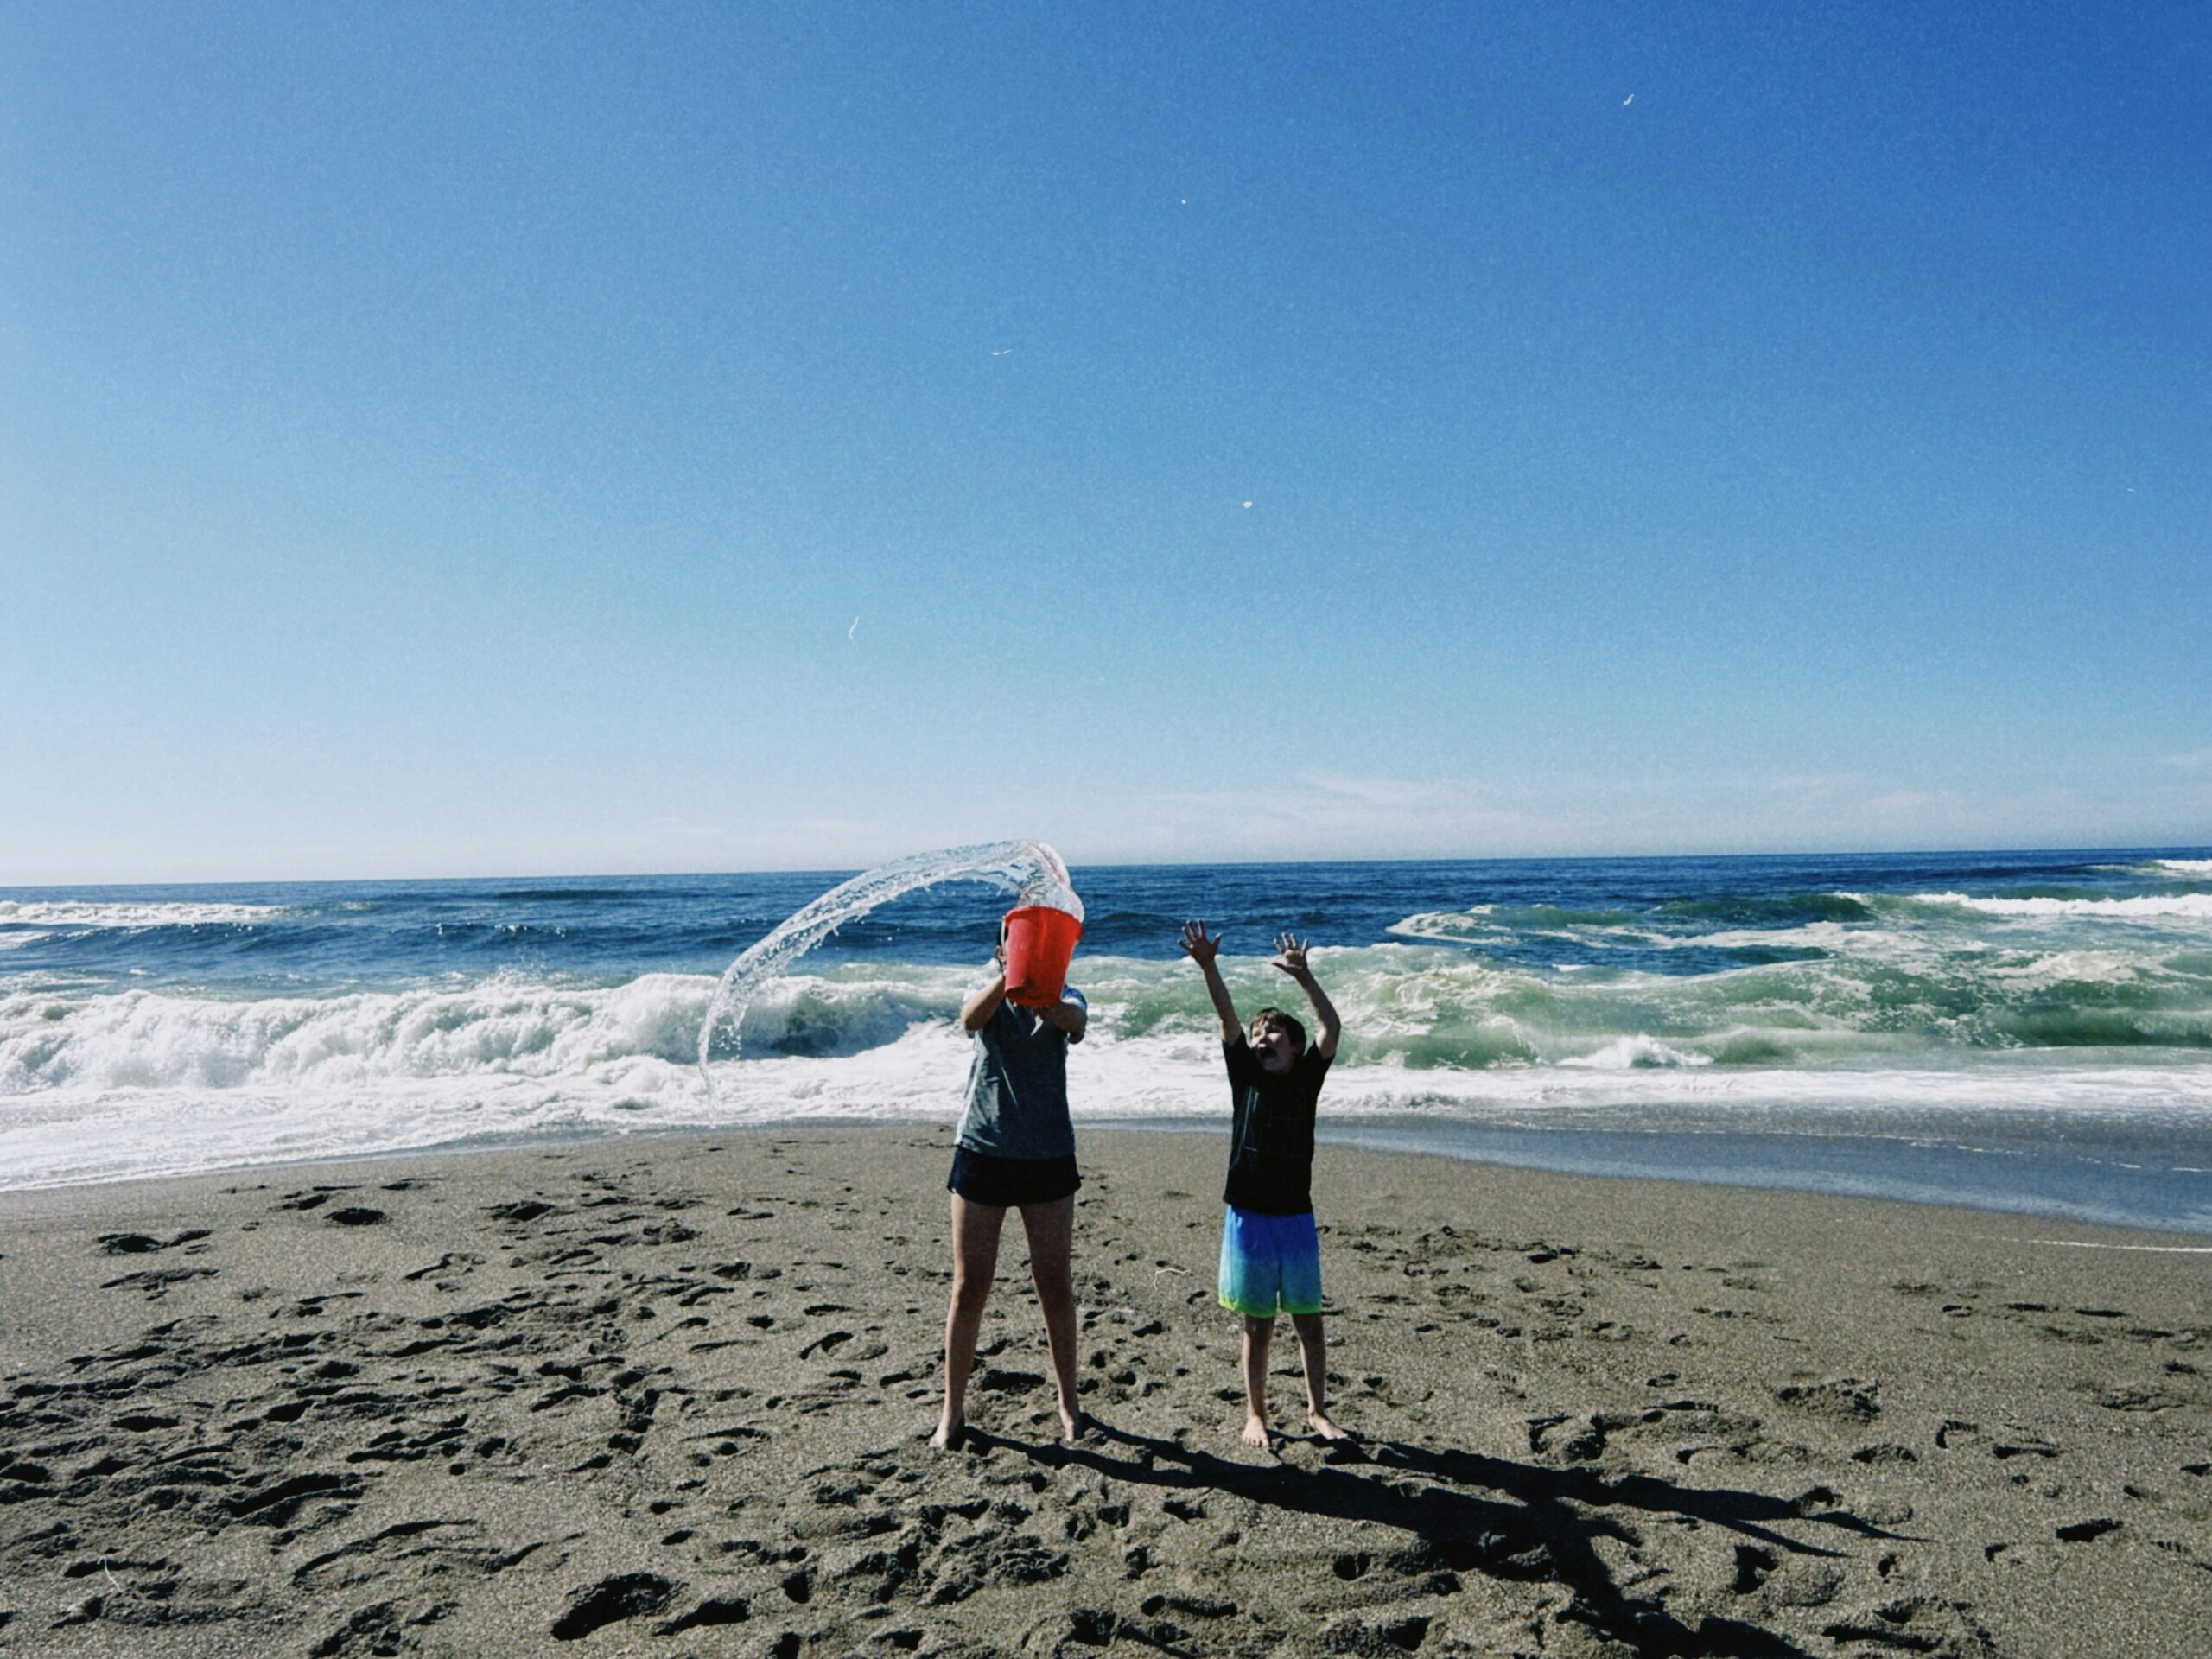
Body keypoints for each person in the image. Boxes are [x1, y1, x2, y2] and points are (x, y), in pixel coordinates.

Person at [1179, 921, 1349, 1449]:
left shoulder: (1306, 1079)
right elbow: (1227, 1017)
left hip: (1295, 1214)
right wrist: (1209, 966)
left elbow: (1332, 1028)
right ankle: (1256, 1413)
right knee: (1258, 1323)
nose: (1262, 1038)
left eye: (1274, 1033)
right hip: (1249, 1214)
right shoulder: (1245, 1076)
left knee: (1308, 1320)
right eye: (1258, 1034)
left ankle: (1318, 1410)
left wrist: (1305, 978)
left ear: (1295, 1048)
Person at [932, 918, 1089, 1449]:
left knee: (1054, 1282)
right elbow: (969, 1019)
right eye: (1012, 944)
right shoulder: (989, 995)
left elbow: (1075, 1022)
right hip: (983, 1150)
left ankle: (1068, 1402)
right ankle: (952, 1411)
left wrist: (1042, 992)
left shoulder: (1066, 994)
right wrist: (1009, 978)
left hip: (1047, 1155)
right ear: (1000, 950)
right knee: (969, 1285)